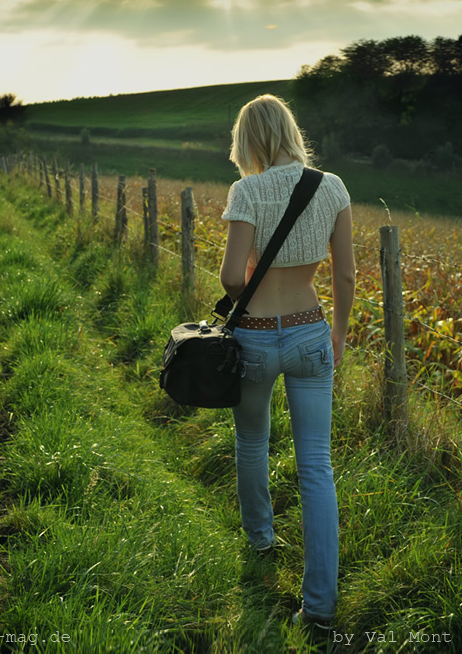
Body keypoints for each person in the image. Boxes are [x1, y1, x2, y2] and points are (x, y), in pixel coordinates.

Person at [219, 94, 355, 627]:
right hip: (310, 333)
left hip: (253, 336)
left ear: (249, 139)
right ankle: (320, 608)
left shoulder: (246, 190)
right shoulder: (333, 186)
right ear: (290, 130)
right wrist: (338, 332)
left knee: (253, 440)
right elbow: (345, 276)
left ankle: (261, 541)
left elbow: (232, 276)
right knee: (316, 467)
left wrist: (252, 285)